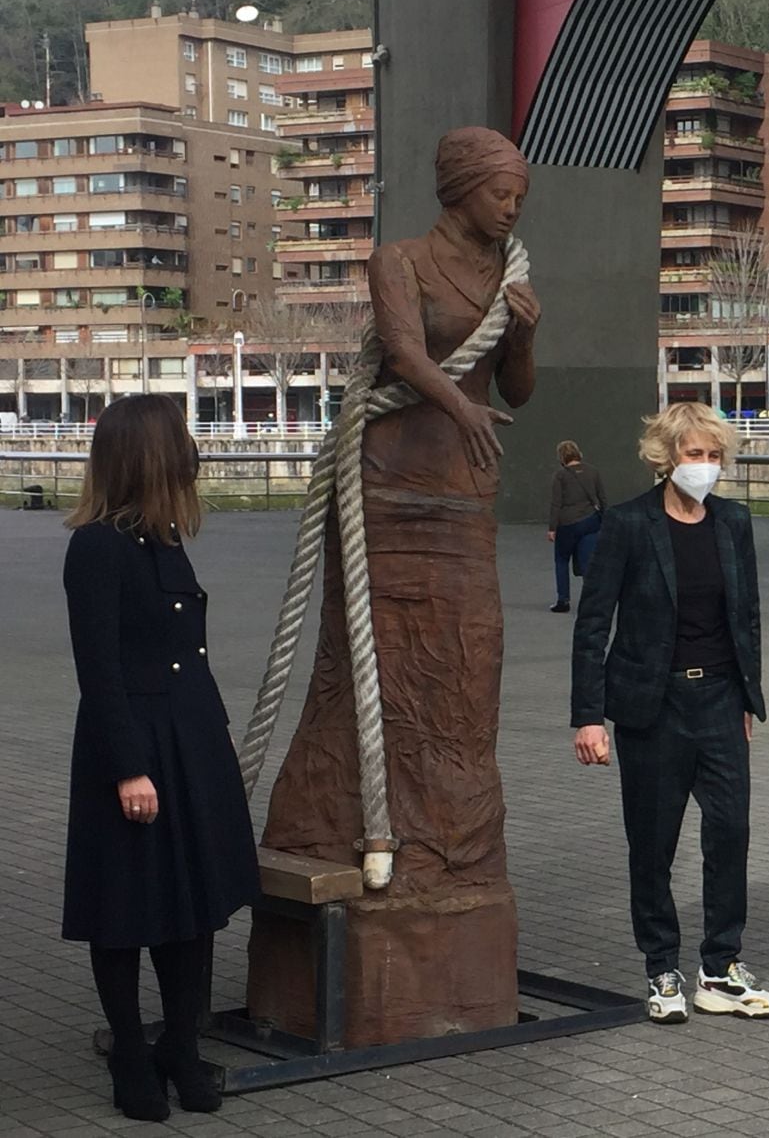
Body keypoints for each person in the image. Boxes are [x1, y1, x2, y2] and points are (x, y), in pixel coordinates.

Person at [249, 127, 541, 1045]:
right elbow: (412, 359)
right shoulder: (401, 260)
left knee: (466, 671)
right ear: (461, 188)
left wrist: (523, 334)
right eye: (501, 193)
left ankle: (450, 853)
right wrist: (462, 404)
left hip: (464, 498)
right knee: (371, 667)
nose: (513, 207)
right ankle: (363, 831)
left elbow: (519, 391)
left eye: (520, 195)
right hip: (385, 493)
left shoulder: (510, 276)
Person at [62, 395, 260, 1120]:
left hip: (192, 739)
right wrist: (128, 766)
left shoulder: (162, 539)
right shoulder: (96, 546)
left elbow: (188, 655)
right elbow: (100, 668)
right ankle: (129, 1054)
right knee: (124, 908)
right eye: (178, 442)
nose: (190, 454)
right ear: (146, 454)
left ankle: (180, 1041)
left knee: (191, 904)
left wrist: (218, 733)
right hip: (137, 747)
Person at [571, 401, 769, 1023]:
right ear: (667, 458)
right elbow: (592, 625)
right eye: (696, 455)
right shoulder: (628, 524)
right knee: (653, 843)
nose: (707, 467)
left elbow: (746, 616)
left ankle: (720, 969)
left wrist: (749, 697)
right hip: (652, 706)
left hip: (721, 700)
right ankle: (661, 966)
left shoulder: (733, 522)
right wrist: (589, 716)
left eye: (715, 456)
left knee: (730, 833)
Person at [547, 439, 606, 613]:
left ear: (561, 457)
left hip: (567, 524)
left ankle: (563, 600)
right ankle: (592, 601)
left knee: (561, 560)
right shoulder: (593, 472)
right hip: (590, 522)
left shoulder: (560, 475)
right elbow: (602, 498)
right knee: (589, 563)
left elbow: (556, 504)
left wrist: (552, 528)